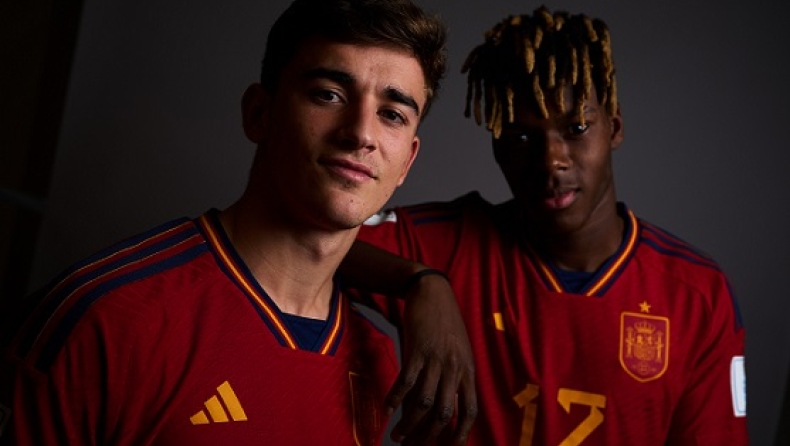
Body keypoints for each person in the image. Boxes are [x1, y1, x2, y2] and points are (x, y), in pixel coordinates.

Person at [0, 0, 477, 444]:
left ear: (407, 161)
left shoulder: (374, 358)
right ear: (259, 114)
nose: (360, 133)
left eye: (392, 114)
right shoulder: (104, 318)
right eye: (329, 95)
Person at [343, 6, 748, 445]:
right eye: (520, 137)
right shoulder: (445, 245)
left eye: (576, 128)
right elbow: (303, 236)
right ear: (497, 147)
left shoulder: (697, 294)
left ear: (613, 127)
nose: (551, 160)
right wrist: (421, 281)